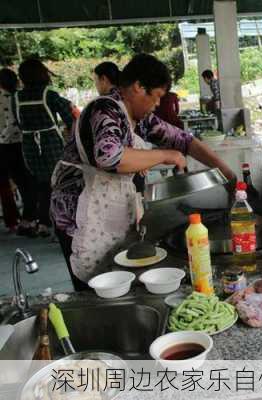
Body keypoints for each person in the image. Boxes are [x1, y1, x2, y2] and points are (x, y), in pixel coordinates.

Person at [51, 54, 236, 291]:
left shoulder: (141, 119)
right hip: (80, 215)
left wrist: (227, 175)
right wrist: (165, 155)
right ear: (138, 87)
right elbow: (109, 157)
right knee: (97, 288)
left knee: (118, 280)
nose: (157, 105)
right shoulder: (105, 109)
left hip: (108, 209)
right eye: (156, 97)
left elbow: (184, 141)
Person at [12, 59, 73, 237]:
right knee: (60, 183)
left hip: (30, 146)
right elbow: (69, 115)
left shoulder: (17, 97)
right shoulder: (49, 95)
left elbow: (18, 121)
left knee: (41, 184)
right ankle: (60, 224)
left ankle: (44, 223)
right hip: (51, 144)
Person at [0, 68, 37, 236]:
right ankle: (28, 220)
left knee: (8, 186)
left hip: (5, 146)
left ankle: (16, 220)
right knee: (26, 183)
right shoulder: (16, 97)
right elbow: (15, 122)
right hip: (20, 145)